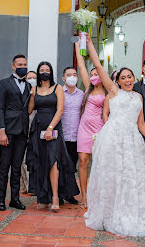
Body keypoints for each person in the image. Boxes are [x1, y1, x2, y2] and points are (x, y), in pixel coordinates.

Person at [83, 33, 145, 237]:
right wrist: (89, 44)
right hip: (113, 138)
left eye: (129, 77)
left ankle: (129, 211)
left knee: (132, 176)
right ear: (118, 80)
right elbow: (98, 66)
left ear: (135, 78)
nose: (127, 80)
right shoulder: (113, 92)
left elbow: (141, 124)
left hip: (133, 140)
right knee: (112, 175)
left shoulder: (139, 96)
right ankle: (108, 213)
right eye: (123, 77)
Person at [27, 62, 79, 212]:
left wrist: (50, 128)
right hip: (38, 129)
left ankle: (55, 197)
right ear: (38, 73)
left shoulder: (57, 89)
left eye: (47, 70)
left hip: (54, 128)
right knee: (41, 161)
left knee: (54, 161)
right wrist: (29, 94)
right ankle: (43, 198)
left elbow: (60, 110)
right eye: (42, 70)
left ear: (51, 72)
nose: (45, 72)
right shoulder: (34, 89)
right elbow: (30, 110)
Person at [0, 54, 31, 211]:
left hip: (22, 131)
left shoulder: (29, 86)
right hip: (8, 131)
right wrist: (1, 132)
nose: (22, 66)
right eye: (19, 64)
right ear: (13, 66)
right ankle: (1, 199)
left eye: (25, 64)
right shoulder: (4, 83)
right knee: (4, 167)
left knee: (17, 167)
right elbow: (0, 108)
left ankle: (15, 199)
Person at [75, 44, 106, 207]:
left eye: (96, 73)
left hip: (100, 128)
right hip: (84, 129)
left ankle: (99, 194)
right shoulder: (88, 88)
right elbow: (81, 66)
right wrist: (78, 45)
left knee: (100, 162)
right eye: (92, 74)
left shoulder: (107, 90)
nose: (93, 76)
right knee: (83, 161)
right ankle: (84, 195)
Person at [59, 66, 83, 205]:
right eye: (69, 75)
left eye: (74, 74)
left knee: (71, 166)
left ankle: (69, 193)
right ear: (64, 78)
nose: (72, 77)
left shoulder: (81, 94)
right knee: (60, 166)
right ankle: (60, 194)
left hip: (76, 136)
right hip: (61, 135)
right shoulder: (58, 92)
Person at [20, 71, 37, 195]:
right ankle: (25, 185)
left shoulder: (41, 91)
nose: (32, 80)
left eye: (34, 78)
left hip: (37, 127)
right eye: (29, 78)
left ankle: (33, 185)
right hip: (24, 127)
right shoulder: (22, 93)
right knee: (23, 158)